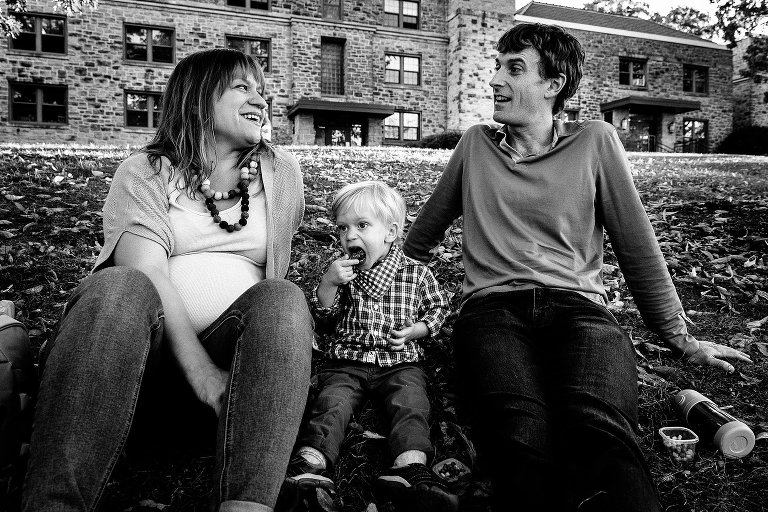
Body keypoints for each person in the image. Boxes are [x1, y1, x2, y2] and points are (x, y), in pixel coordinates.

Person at [402, 23, 752, 512]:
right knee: (517, 430)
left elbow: (636, 245)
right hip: (491, 312)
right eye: (497, 66)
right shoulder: (475, 146)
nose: (495, 80)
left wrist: (681, 338)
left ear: (554, 83)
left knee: (599, 425)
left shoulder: (595, 142)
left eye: (514, 68)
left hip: (580, 311)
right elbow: (419, 241)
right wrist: (377, 293)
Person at [22, 49, 313, 512]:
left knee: (282, 297)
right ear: (199, 97)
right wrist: (200, 373)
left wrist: (225, 378)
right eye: (243, 86)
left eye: (261, 88)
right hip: (137, 367)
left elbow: (273, 283)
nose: (261, 97)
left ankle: (247, 504)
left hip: (229, 380)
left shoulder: (282, 174)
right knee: (119, 286)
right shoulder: (146, 171)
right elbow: (148, 272)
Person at [278, 181, 458, 511]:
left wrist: (417, 330)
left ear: (390, 233)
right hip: (348, 360)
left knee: (411, 402)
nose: (349, 236)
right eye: (343, 227)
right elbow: (325, 316)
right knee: (332, 401)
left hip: (399, 361)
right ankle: (311, 463)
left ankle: (410, 466)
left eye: (362, 226)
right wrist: (328, 285)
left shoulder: (415, 274)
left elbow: (438, 309)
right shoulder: (340, 272)